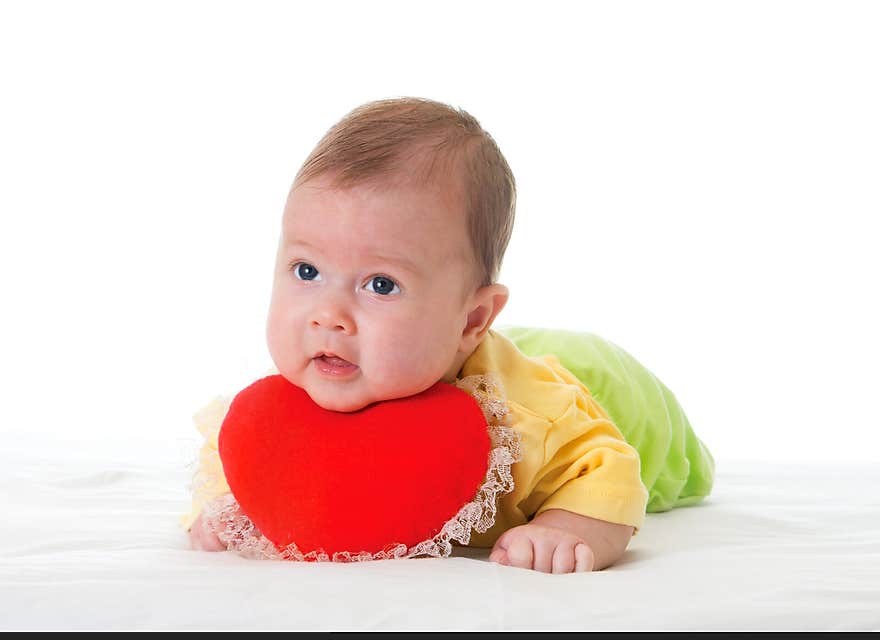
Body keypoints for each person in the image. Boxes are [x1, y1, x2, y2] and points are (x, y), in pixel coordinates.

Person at [183, 96, 713, 574]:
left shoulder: (529, 417)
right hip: (441, 354)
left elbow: (610, 468)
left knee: (677, 470)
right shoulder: (297, 394)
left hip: (602, 384)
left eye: (380, 284)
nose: (328, 316)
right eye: (306, 271)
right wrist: (223, 510)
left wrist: (573, 528)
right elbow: (237, 463)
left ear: (471, 321)